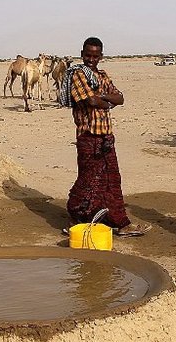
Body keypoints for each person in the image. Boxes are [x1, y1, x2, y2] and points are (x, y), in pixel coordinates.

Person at [65, 37, 151, 237]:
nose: (91, 60)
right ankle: (75, 213)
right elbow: (91, 101)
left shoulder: (102, 75)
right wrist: (106, 99)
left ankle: (120, 222)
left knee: (112, 180)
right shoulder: (78, 74)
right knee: (88, 180)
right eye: (88, 55)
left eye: (95, 56)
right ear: (82, 54)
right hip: (88, 136)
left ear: (101, 56)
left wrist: (102, 98)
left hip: (106, 137)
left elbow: (120, 98)